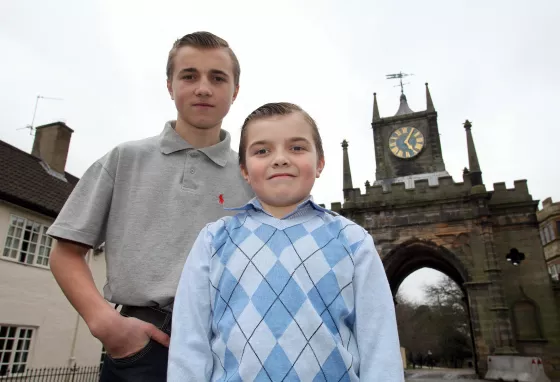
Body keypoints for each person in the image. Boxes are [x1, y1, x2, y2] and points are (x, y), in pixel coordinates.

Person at [47, 31, 253, 381]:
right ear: (170, 85)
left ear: (234, 91)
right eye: (189, 76)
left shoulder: (253, 176)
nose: (203, 88)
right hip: (145, 346)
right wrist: (106, 324)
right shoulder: (124, 159)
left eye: (217, 78)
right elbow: (65, 253)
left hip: (236, 345)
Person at [168, 102, 404, 381]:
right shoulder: (212, 241)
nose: (280, 159)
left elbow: (379, 348)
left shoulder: (353, 241)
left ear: (320, 163)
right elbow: (189, 345)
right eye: (262, 151)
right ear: (244, 169)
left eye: (297, 148)